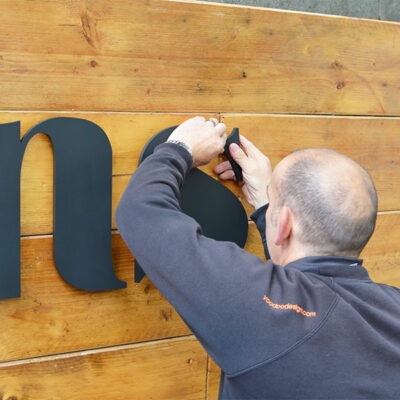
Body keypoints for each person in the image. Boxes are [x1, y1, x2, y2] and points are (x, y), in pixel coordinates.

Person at [115, 116, 400, 399]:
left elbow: (141, 213)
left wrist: (178, 147)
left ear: (285, 224)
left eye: (275, 202)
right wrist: (268, 205)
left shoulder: (261, 312)